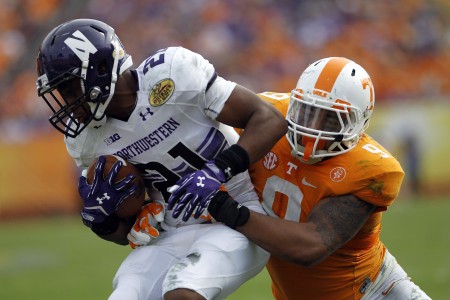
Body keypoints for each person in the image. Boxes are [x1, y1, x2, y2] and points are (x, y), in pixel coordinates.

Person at [35, 18, 287, 300]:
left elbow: (269, 120)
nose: (68, 102)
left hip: (237, 216)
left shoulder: (171, 73)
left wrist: (217, 171)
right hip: (169, 232)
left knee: (182, 294)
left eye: (70, 89)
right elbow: (127, 233)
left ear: (101, 70)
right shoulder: (85, 139)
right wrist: (103, 222)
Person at [170, 57, 431, 299]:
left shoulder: (369, 168)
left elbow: (309, 246)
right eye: (307, 111)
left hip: (374, 292)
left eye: (330, 118)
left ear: (358, 123)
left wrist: (222, 206)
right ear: (293, 103)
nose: (312, 128)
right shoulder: (268, 116)